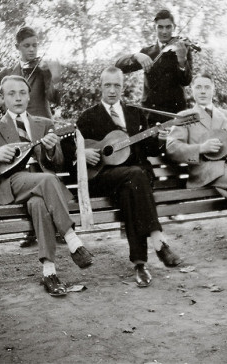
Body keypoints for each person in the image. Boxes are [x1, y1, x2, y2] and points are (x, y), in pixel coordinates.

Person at [0, 75, 93, 296]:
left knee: (39, 205)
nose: (18, 98)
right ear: (3, 98)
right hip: (12, 182)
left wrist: (53, 148)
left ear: (29, 96)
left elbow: (58, 162)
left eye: (23, 93)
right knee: (47, 180)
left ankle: (49, 273)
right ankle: (73, 240)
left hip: (42, 188)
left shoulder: (44, 124)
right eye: (12, 93)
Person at [63, 66, 182, 287]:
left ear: (123, 87)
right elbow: (66, 147)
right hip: (104, 178)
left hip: (134, 181)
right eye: (107, 85)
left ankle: (140, 264)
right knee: (135, 177)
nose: (112, 90)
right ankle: (159, 241)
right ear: (100, 86)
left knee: (132, 186)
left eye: (116, 85)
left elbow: (150, 149)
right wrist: (81, 153)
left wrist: (162, 138)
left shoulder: (136, 114)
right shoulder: (88, 117)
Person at [166, 72, 227, 270]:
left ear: (214, 90)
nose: (203, 91)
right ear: (191, 90)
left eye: (207, 87)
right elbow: (172, 148)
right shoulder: (185, 117)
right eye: (198, 87)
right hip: (206, 167)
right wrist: (200, 148)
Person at [115, 9, 193, 128]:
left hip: (175, 115)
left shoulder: (182, 49)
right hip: (150, 115)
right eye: (160, 27)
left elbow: (186, 81)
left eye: (168, 27)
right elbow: (119, 67)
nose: (164, 31)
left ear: (174, 27)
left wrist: (182, 60)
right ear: (154, 28)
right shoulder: (147, 52)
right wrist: (135, 56)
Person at [0, 26, 62, 119]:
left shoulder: (43, 71)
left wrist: (55, 79)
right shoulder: (8, 73)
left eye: (35, 45)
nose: (32, 49)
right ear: (17, 47)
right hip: (16, 128)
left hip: (42, 127)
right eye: (27, 45)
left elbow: (54, 99)